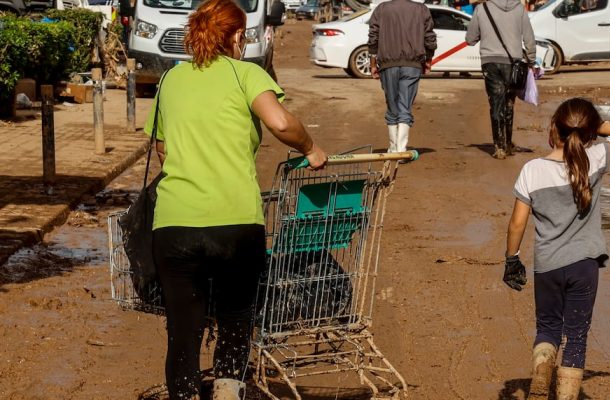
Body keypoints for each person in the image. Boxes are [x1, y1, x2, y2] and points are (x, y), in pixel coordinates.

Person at [143, 0, 327, 398]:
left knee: (183, 331)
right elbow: (280, 122)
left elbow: (162, 149)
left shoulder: (170, 80)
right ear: (238, 36)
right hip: (235, 225)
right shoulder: (247, 74)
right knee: (235, 320)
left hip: (175, 225)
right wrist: (311, 148)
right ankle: (228, 391)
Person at [504, 98, 610, 400]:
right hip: (584, 266)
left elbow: (516, 224)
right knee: (576, 337)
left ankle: (542, 368)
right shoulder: (594, 159)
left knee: (548, 327)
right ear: (589, 132)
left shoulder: (532, 170)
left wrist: (511, 259)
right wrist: (596, 124)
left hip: (548, 266)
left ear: (554, 127)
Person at [466, 0, 536, 159]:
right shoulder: (519, 8)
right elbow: (529, 37)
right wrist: (531, 60)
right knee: (509, 103)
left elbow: (470, 39)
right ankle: (508, 144)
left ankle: (499, 148)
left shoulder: (481, 8)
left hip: (490, 63)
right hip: (513, 63)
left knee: (496, 104)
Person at [368, 0, 437, 154]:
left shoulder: (382, 9)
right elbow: (430, 37)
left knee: (392, 105)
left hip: (387, 64)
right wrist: (428, 60)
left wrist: (373, 64)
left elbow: (373, 38)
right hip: (412, 65)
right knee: (405, 105)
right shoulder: (421, 9)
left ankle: (393, 148)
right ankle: (401, 148)